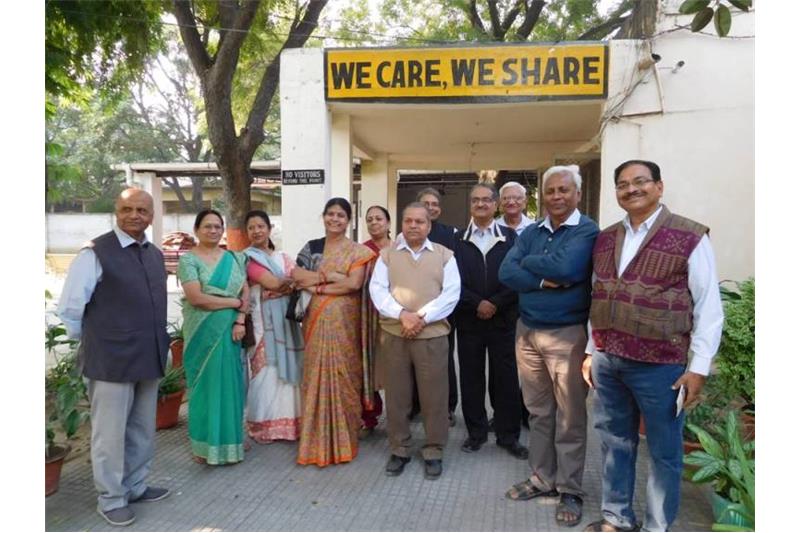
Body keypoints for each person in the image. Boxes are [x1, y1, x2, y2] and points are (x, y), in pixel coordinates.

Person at [581, 160, 723, 532]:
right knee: (615, 443)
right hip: (608, 360)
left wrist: (699, 367)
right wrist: (590, 350)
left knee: (663, 452)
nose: (631, 189)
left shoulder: (689, 235)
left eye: (640, 182)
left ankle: (656, 526)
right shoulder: (607, 237)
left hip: (660, 366)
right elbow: (599, 294)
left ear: (659, 187)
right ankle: (617, 517)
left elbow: (708, 304)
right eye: (623, 184)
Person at [57, 188, 171, 527]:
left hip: (148, 356)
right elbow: (70, 309)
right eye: (127, 209)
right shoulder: (95, 253)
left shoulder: (154, 254)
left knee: (141, 429)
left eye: (141, 210)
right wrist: (99, 343)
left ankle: (135, 486)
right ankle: (111, 498)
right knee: (109, 434)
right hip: (110, 361)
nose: (134, 215)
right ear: (116, 212)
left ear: (151, 215)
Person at [498, 165, 599, 527]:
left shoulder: (586, 230)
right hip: (527, 331)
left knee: (570, 415)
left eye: (563, 190)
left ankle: (570, 487)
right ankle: (542, 477)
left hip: (567, 334)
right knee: (539, 411)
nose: (556, 196)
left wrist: (530, 265)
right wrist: (543, 277)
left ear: (576, 194)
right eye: (551, 191)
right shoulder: (532, 231)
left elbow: (570, 268)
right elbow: (506, 273)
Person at [369, 202, 461, 480]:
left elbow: (451, 294)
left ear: (428, 226)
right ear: (402, 224)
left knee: (435, 397)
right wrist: (402, 315)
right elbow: (378, 290)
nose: (413, 226)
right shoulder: (387, 256)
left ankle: (433, 450)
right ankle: (400, 448)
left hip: (431, 336)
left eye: (419, 222)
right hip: (395, 335)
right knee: (397, 396)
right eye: (408, 221)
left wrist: (418, 317)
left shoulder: (445, 256)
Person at [290, 198, 376, 467]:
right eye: (330, 214)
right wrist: (332, 278)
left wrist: (319, 283)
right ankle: (314, 442)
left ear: (348, 220)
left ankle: (344, 440)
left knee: (344, 375)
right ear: (323, 216)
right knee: (315, 373)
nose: (335, 219)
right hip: (315, 318)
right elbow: (297, 276)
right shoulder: (312, 247)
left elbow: (353, 284)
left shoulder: (358, 251)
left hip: (346, 322)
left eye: (341, 215)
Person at [454, 184, 528, 460]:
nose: (481, 204)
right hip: (469, 320)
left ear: (496, 205)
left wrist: (496, 303)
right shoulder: (458, 239)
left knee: (505, 378)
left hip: (503, 319)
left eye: (487, 200)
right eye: (476, 200)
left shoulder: (511, 238)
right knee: (471, 377)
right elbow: (452, 282)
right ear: (470, 205)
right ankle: (476, 433)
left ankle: (508, 435)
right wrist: (477, 303)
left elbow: (520, 275)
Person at [178, 209, 249, 466]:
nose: (213, 231)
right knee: (203, 388)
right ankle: (203, 445)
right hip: (201, 333)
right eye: (207, 226)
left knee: (230, 385)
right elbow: (196, 298)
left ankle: (230, 445)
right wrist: (232, 301)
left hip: (230, 332)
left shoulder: (234, 258)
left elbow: (246, 291)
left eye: (217, 226)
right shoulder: (188, 260)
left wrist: (240, 317)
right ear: (197, 230)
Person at [243, 210, 304, 443]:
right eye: (251, 227)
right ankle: (264, 426)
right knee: (265, 370)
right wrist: (286, 284)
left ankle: (292, 425)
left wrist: (286, 284)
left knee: (290, 367)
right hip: (262, 323)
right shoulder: (248, 258)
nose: (256, 231)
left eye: (261, 226)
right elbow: (274, 282)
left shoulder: (283, 257)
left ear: (269, 229)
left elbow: (295, 279)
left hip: (287, 321)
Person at [416, 187, 459, 426]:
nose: (431, 207)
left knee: (443, 359)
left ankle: (448, 407)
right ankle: (415, 405)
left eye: (435, 204)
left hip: (442, 309)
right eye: (426, 203)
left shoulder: (450, 234)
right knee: (413, 360)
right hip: (412, 310)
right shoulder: (408, 234)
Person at [359, 205, 393, 438]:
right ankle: (369, 418)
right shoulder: (360, 252)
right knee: (368, 367)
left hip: (395, 316)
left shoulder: (399, 250)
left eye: (378, 218)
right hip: (367, 316)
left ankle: (400, 418)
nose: (374, 223)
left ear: (388, 223)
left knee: (396, 368)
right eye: (369, 219)